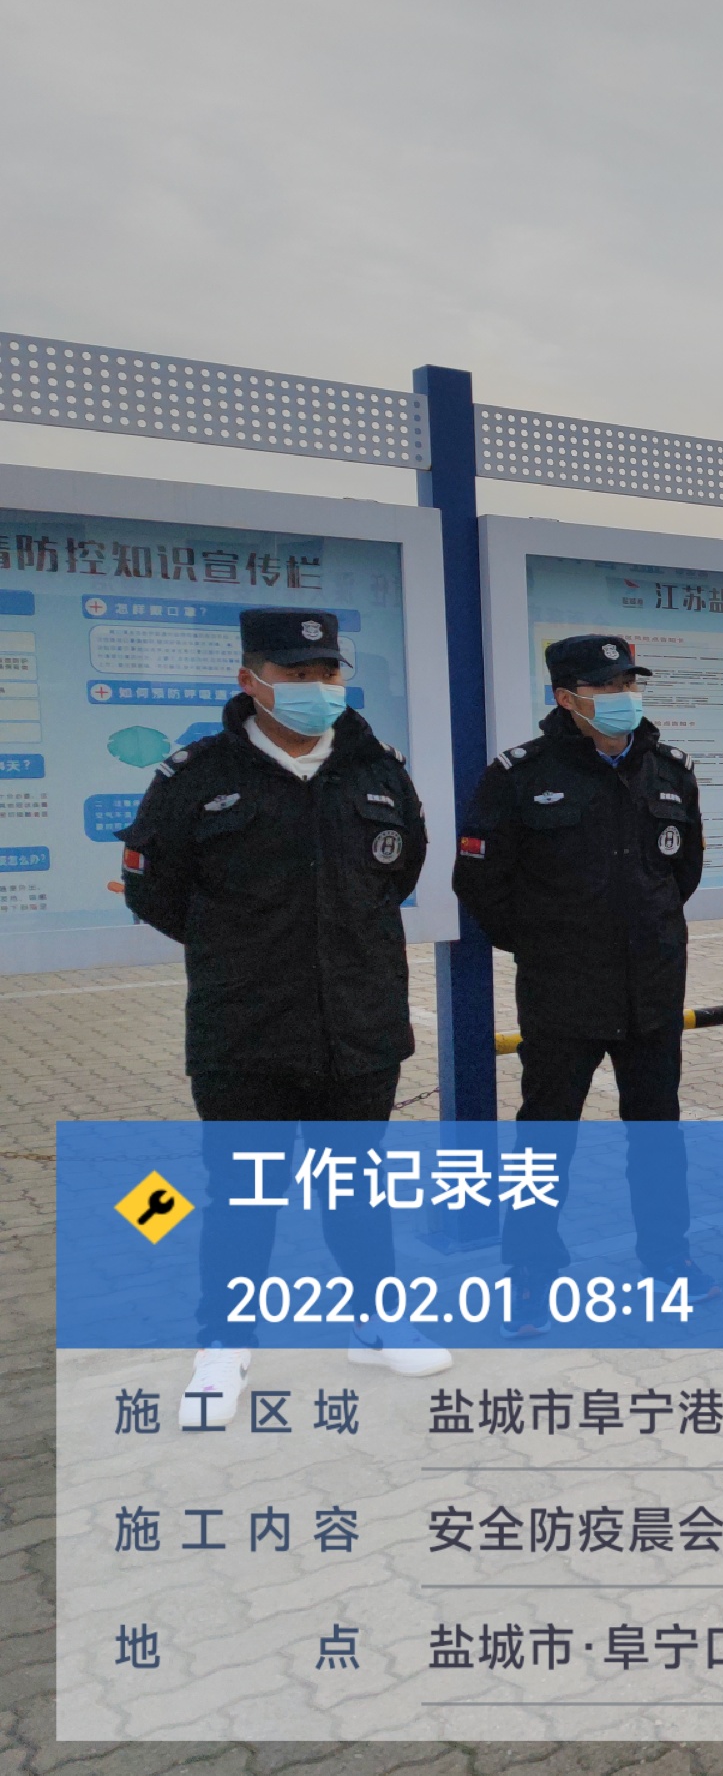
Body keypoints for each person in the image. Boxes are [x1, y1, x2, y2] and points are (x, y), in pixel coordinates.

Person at [120, 605, 452, 1425]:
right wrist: (241, 951)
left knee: (356, 1188)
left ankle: (376, 1321)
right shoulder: (195, 776)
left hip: (358, 1025)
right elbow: (154, 889)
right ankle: (224, 1343)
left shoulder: (378, 770)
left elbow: (400, 869)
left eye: (327, 671)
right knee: (242, 1194)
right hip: (245, 1030)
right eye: (296, 673)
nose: (316, 686)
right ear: (251, 680)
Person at [453, 633, 713, 1330]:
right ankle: (531, 1273)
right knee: (545, 1143)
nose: (624, 696)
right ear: (567, 698)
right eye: (607, 686)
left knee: (657, 1138)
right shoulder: (518, 775)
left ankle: (668, 1260)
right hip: (562, 992)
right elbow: (481, 882)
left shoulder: (669, 770)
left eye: (630, 683)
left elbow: (681, 872)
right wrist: (547, 943)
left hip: (651, 989)